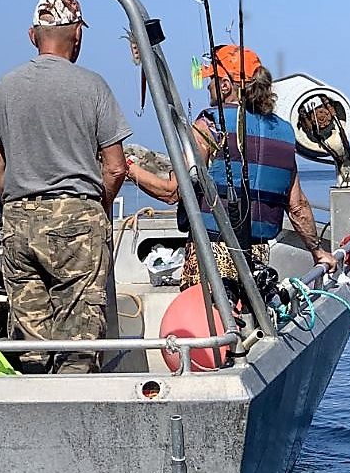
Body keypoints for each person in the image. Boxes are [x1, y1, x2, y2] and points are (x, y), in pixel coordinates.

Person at [0, 0, 131, 374]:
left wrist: (15, 203)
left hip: (18, 219)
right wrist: (94, 208)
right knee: (78, 347)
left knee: (32, 345)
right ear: (77, 35)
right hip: (77, 218)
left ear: (33, 35)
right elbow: (115, 168)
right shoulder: (93, 86)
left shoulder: (5, 86)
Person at [125, 44, 337, 291]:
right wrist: (317, 251)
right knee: (248, 313)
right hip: (256, 253)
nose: (208, 86)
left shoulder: (210, 124)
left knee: (210, 320)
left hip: (211, 251)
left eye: (212, 80)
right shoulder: (284, 132)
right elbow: (297, 206)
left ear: (225, 85)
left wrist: (127, 167)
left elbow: (173, 192)